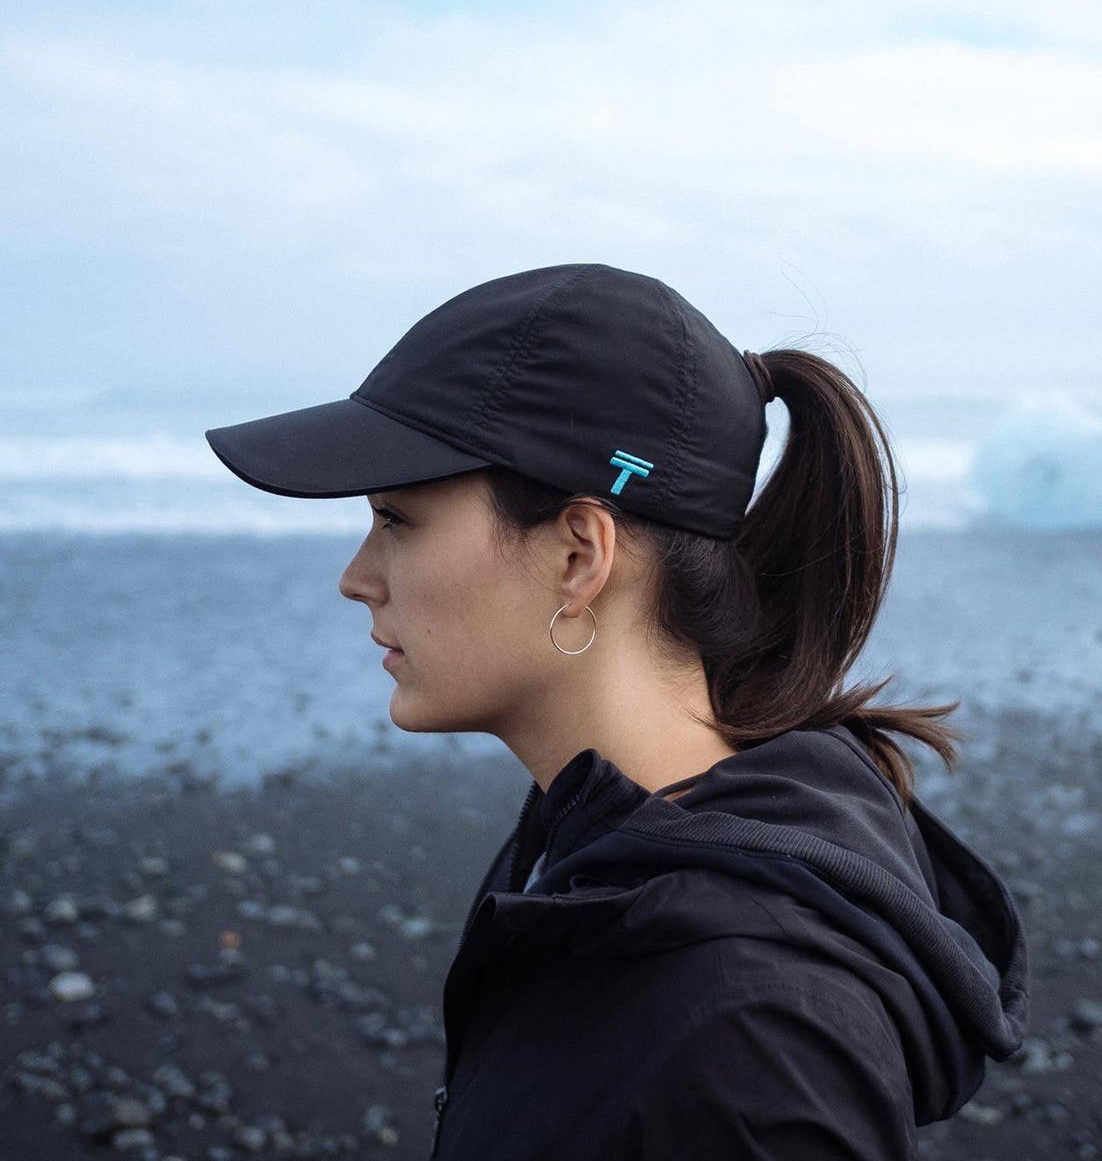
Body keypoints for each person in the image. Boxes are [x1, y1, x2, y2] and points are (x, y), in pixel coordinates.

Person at [206, 263, 1028, 1159]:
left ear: (578, 557)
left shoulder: (752, 1048)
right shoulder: (591, 836)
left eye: (397, 520)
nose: (356, 578)